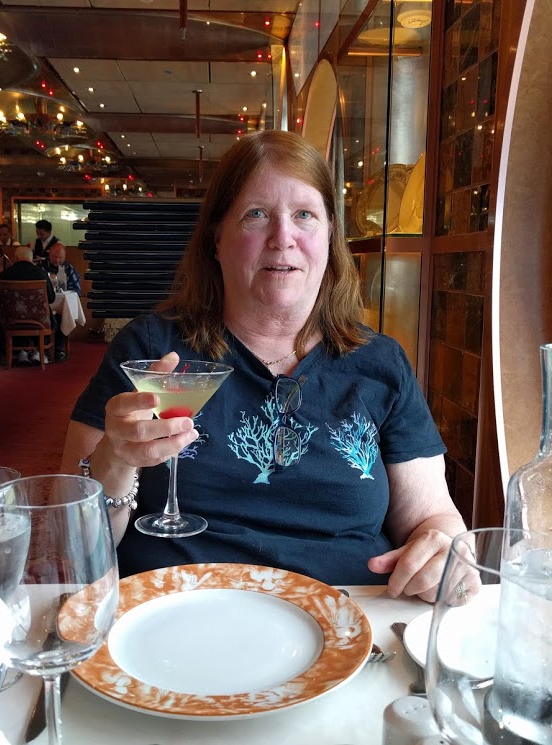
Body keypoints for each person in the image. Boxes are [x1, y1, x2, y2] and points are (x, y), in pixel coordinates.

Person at [59, 130, 467, 598]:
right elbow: (74, 544)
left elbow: (431, 517)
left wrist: (444, 551)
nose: (283, 238)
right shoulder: (151, 349)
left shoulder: (380, 362)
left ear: (330, 235)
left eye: (304, 215)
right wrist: (114, 460)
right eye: (256, 214)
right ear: (217, 238)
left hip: (348, 616)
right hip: (180, 612)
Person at [0, 245, 56, 365]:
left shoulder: (4, 274)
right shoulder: (41, 274)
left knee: (10, 315)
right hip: (39, 322)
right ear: (31, 259)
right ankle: (40, 352)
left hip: (11, 322)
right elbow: (51, 298)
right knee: (50, 318)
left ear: (16, 258)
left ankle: (19, 352)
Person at [42, 243, 81, 362]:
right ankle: (43, 350)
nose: (57, 260)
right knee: (44, 317)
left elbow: (77, 289)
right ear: (49, 254)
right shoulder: (41, 267)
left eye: (60, 257)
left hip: (61, 306)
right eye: (55, 257)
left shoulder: (69, 269)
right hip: (42, 306)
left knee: (61, 316)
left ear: (65, 257)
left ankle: (60, 349)